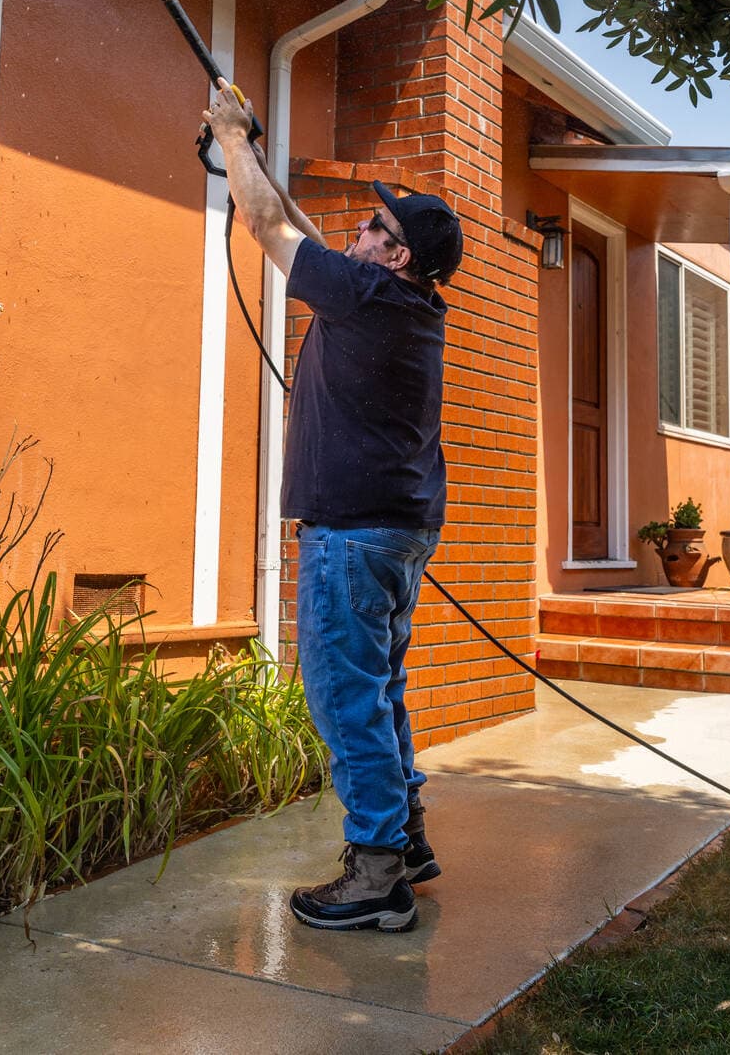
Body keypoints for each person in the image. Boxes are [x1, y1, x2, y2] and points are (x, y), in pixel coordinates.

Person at [202, 81, 463, 934]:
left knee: (345, 698)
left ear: (393, 258)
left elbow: (271, 230)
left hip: (353, 536)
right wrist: (252, 156)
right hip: (395, 530)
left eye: (375, 228)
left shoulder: (369, 295)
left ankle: (377, 875)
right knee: (379, 690)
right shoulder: (399, 299)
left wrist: (233, 137)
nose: (358, 229)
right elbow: (303, 234)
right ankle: (408, 841)